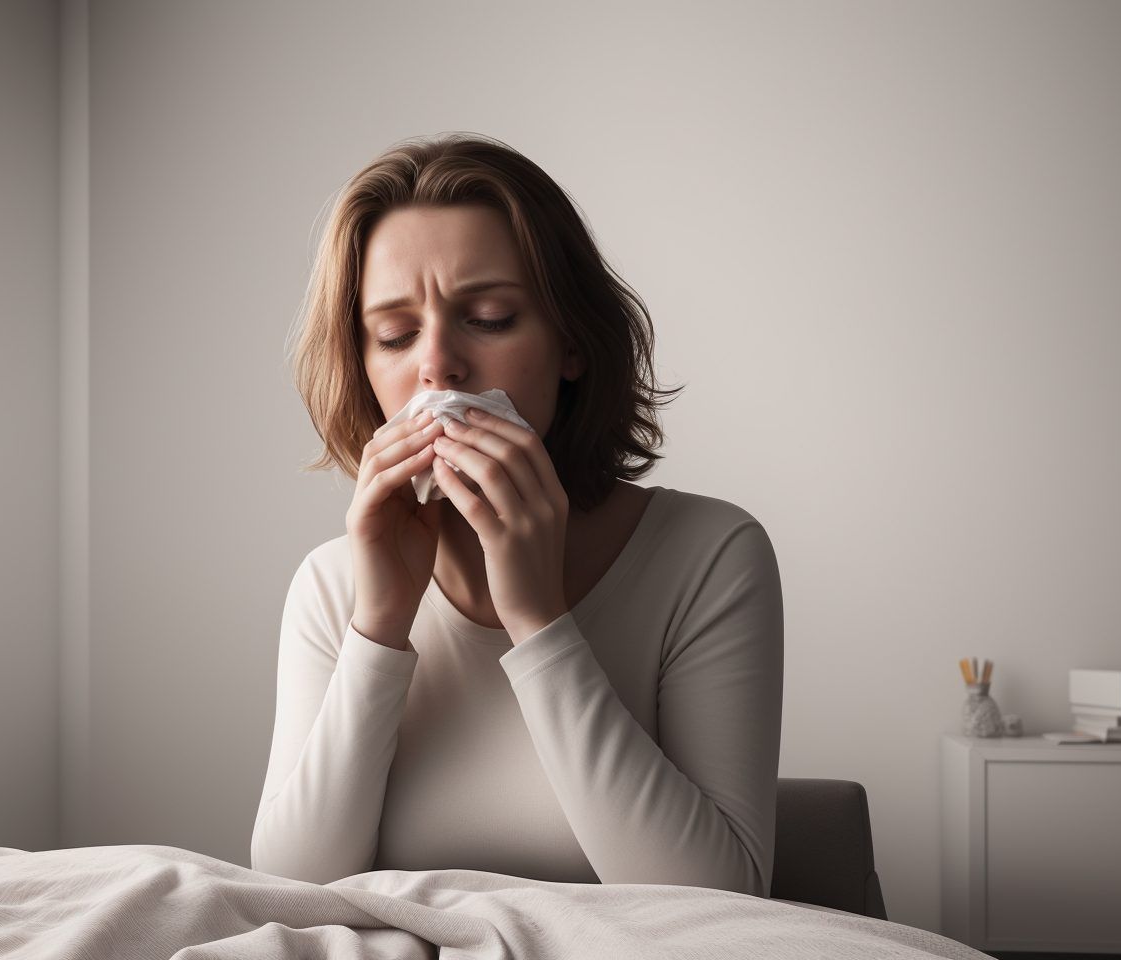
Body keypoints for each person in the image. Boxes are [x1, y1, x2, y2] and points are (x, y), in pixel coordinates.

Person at [251, 132, 784, 899]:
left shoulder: (709, 556)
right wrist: (380, 623)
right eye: (395, 335)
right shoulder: (332, 586)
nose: (438, 365)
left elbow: (718, 906)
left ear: (570, 342)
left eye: (491, 317)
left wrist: (539, 621)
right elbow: (289, 890)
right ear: (364, 368)